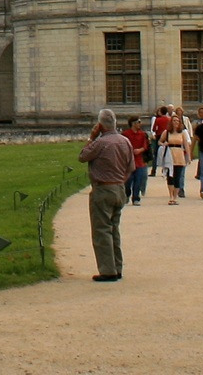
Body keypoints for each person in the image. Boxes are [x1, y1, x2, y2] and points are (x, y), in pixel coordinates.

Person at [79, 108, 134, 282]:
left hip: (103, 190)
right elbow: (131, 168)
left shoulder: (100, 143)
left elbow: (82, 156)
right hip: (119, 188)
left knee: (101, 230)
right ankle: (117, 267)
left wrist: (91, 137)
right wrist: (119, 181)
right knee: (114, 229)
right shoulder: (125, 141)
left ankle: (107, 270)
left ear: (100, 125)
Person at [161, 114, 190, 205]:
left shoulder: (182, 133)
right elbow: (160, 141)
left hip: (179, 155)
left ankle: (175, 197)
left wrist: (188, 157)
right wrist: (163, 144)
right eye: (174, 121)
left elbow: (186, 145)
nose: (176, 122)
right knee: (170, 177)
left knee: (177, 177)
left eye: (177, 121)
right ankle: (170, 196)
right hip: (170, 155)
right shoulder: (166, 132)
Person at [123, 116, 150, 206]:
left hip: (139, 161)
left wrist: (140, 150)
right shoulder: (125, 134)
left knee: (138, 180)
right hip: (128, 161)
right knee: (128, 180)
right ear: (133, 123)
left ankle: (136, 198)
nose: (140, 124)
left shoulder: (142, 134)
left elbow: (145, 146)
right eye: (138, 122)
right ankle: (127, 194)